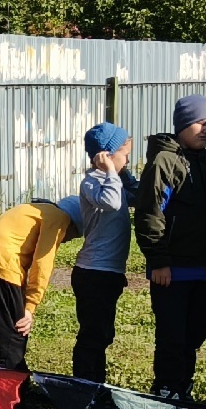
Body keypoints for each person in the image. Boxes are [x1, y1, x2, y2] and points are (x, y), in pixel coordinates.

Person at [133, 95, 206, 404]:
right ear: (183, 123)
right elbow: (150, 213)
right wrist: (159, 261)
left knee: (195, 333)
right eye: (201, 123)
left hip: (204, 267)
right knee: (172, 334)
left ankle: (183, 388)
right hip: (171, 270)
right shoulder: (164, 162)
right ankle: (166, 391)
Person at [0, 195, 72, 372]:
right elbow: (43, 262)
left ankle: (19, 381)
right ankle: (6, 392)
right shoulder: (60, 217)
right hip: (1, 265)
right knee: (15, 331)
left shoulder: (37, 209)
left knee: (7, 328)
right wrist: (31, 305)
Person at [72, 123, 135, 385]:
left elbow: (135, 194)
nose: (128, 159)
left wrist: (121, 174)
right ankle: (86, 386)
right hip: (93, 272)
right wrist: (110, 171)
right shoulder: (93, 181)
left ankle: (97, 384)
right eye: (125, 154)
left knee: (104, 333)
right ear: (106, 156)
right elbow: (112, 202)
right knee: (93, 334)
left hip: (108, 272)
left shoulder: (113, 181)